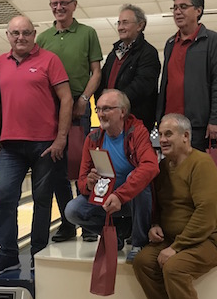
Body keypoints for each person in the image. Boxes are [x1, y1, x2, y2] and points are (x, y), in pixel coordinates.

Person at [133, 114, 217, 299]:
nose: (163, 140)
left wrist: (176, 247)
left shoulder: (201, 164)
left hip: (213, 237)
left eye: (169, 134)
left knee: (175, 268)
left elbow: (205, 214)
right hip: (177, 237)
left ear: (186, 137)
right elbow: (161, 206)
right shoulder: (163, 167)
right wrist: (155, 224)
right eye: (161, 135)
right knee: (143, 261)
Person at [0, 15, 72, 275]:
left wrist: (61, 137)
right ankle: (9, 254)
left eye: (25, 33)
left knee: (42, 200)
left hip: (45, 143)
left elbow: (66, 99)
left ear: (34, 34)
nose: (20, 37)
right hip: (11, 145)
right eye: (15, 33)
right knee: (4, 197)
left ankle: (37, 253)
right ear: (7, 35)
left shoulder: (49, 60)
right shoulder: (0, 63)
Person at [36, 0, 103, 243]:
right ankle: (66, 222)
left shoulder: (88, 33)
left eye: (64, 2)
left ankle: (85, 221)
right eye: (54, 3)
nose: (59, 7)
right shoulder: (43, 38)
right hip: (50, 109)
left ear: (74, 4)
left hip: (78, 107)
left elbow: (96, 71)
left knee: (81, 165)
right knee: (56, 169)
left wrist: (84, 99)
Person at [64, 89, 158, 263]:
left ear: (122, 112)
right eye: (98, 109)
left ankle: (139, 243)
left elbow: (150, 167)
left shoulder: (137, 132)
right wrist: (89, 184)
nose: (100, 114)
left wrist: (120, 196)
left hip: (131, 201)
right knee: (72, 211)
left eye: (106, 109)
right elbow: (82, 181)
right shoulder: (93, 138)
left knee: (136, 177)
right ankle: (116, 236)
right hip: (106, 200)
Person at [157, 0, 217, 151]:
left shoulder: (212, 40)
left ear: (198, 10)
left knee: (195, 172)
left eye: (183, 7)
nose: (177, 12)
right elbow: (166, 83)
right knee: (172, 173)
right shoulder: (170, 43)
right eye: (174, 7)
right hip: (170, 123)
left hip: (197, 126)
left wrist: (215, 119)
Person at [97, 4, 161, 133]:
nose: (120, 27)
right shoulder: (114, 53)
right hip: (112, 122)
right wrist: (102, 106)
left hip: (135, 121)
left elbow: (141, 86)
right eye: (119, 23)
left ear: (140, 25)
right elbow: (101, 80)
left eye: (125, 23)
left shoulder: (148, 53)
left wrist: (113, 104)